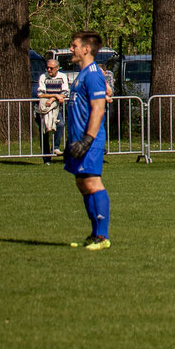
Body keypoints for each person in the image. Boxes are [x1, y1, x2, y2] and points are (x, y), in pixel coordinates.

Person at [63, 31, 112, 250]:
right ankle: (94, 234)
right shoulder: (82, 74)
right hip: (78, 139)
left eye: (74, 45)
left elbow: (98, 109)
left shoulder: (93, 74)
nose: (71, 49)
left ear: (86, 49)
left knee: (92, 182)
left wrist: (87, 139)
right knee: (82, 184)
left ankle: (103, 237)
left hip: (90, 139)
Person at [37, 53, 71, 164]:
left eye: (51, 68)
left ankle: (55, 147)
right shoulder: (43, 77)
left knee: (60, 125)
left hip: (56, 107)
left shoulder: (62, 76)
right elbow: (40, 93)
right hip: (45, 108)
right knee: (44, 132)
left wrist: (53, 99)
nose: (49, 70)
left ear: (57, 68)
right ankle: (46, 158)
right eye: (47, 68)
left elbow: (65, 92)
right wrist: (55, 96)